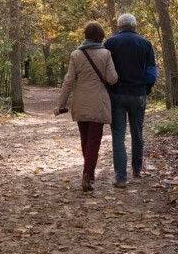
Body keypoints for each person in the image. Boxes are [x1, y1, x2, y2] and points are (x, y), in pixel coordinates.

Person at [54, 21, 118, 192]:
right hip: (98, 101)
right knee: (94, 140)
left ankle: (88, 172)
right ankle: (87, 173)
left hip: (80, 102)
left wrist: (60, 105)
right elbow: (112, 79)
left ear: (85, 35)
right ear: (101, 36)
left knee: (85, 139)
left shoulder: (76, 55)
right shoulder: (106, 54)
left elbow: (68, 81)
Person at [104, 13, 158, 188]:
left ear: (119, 26)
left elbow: (106, 71)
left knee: (118, 135)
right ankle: (137, 169)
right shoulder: (145, 43)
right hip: (137, 94)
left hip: (116, 94)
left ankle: (121, 177)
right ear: (134, 25)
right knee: (137, 132)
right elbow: (151, 72)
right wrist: (146, 88)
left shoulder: (110, 43)